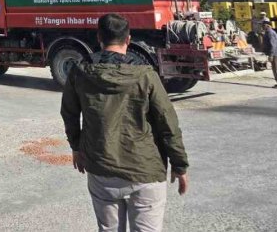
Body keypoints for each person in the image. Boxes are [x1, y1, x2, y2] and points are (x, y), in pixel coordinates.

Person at [61, 13, 189, 232]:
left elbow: (69, 114)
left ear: (99, 37)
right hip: (145, 170)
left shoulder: (79, 72)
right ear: (128, 39)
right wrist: (179, 164)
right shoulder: (145, 75)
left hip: (102, 169)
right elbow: (167, 122)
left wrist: (76, 147)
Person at [260, 17, 277, 88]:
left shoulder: (270, 33)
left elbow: (273, 45)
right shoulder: (267, 33)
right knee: (274, 70)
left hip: (276, 54)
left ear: (267, 25)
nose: (262, 26)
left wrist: (271, 55)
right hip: (275, 53)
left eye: (263, 25)